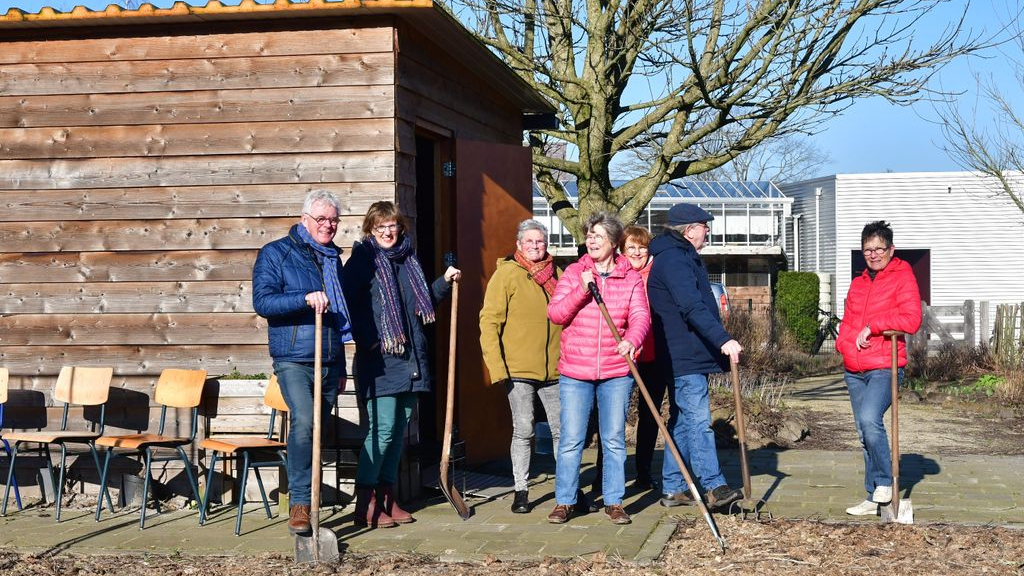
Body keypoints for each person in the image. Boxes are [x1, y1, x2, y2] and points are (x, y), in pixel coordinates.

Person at [343, 201, 461, 528]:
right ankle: (365, 504)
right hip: (380, 362)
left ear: (400, 227)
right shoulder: (361, 263)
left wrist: (444, 282)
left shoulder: (408, 260)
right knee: (381, 431)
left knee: (398, 433)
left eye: (392, 225)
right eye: (380, 227)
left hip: (410, 360)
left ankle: (387, 498)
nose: (387, 232)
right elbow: (352, 307)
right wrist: (370, 341)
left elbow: (421, 304)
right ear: (370, 229)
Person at [252, 189, 353, 535]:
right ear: (305, 220)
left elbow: (339, 317)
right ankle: (299, 503)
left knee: (317, 433)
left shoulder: (332, 260)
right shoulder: (276, 254)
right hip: (293, 357)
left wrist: (339, 366)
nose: (329, 226)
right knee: (305, 423)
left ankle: (309, 499)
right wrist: (304, 298)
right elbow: (263, 302)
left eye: (334, 220)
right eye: (322, 219)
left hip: (328, 359)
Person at [546, 212, 650, 525]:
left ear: (614, 242)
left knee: (614, 438)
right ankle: (565, 501)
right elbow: (556, 313)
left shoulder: (629, 277)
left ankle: (615, 501)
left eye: (598, 235)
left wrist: (632, 339)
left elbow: (641, 316)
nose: (591, 240)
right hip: (576, 371)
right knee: (572, 439)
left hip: (616, 370)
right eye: (589, 235)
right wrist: (581, 289)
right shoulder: (575, 272)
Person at [647, 203, 745, 511]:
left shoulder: (679, 256)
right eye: (705, 225)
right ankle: (714, 486)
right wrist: (723, 340)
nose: (708, 230)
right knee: (699, 421)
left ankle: (675, 488)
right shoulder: (676, 260)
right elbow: (691, 307)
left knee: (683, 421)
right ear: (689, 230)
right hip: (683, 355)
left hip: (684, 353)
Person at [836, 220, 921, 516]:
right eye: (867, 250)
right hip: (854, 368)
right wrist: (844, 346)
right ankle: (873, 496)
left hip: (885, 366)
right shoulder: (859, 282)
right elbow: (847, 321)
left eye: (879, 249)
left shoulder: (902, 276)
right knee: (863, 432)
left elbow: (911, 319)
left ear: (891, 249)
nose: (873, 255)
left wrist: (874, 326)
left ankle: (884, 481)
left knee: (871, 419)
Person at [479, 219, 563, 514]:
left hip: (555, 369)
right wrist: (497, 368)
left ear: (546, 243)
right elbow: (489, 322)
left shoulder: (559, 275)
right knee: (524, 429)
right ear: (519, 245)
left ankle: (566, 491)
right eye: (529, 242)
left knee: (561, 432)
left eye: (539, 241)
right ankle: (521, 490)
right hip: (519, 370)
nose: (535, 246)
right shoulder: (506, 276)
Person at [620, 225, 666, 491]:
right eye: (631, 247)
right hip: (624, 354)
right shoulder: (617, 273)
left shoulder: (657, 273)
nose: (636, 252)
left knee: (650, 413)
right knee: (615, 415)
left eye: (641, 246)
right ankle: (605, 473)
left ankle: (644, 471)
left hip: (653, 353)